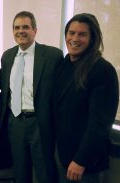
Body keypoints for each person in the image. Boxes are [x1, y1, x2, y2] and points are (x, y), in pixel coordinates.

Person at [52, 13, 119, 183]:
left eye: (82, 34)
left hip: (82, 164)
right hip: (62, 155)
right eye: (71, 33)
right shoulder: (66, 63)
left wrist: (81, 160)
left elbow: (100, 123)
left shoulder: (102, 70)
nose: (75, 38)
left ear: (92, 38)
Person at [0, 11, 64, 183]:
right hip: (15, 122)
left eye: (25, 27)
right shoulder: (7, 56)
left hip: (40, 124)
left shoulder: (52, 56)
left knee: (45, 172)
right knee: (20, 171)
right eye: (16, 28)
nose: (21, 31)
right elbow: (1, 85)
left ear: (35, 30)